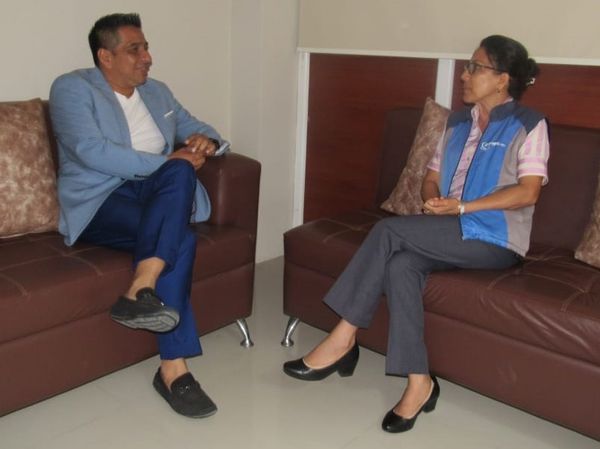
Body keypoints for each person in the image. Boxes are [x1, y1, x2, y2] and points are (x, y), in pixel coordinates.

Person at [283, 35, 549, 433]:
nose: (464, 75)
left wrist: (462, 208)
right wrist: (433, 201)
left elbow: (528, 192)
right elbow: (431, 177)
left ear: (502, 79)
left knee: (388, 231)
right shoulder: (456, 123)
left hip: (496, 238)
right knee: (402, 266)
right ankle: (419, 382)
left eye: (475, 67)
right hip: (449, 228)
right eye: (467, 66)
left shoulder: (528, 124)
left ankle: (343, 338)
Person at [49, 13, 224, 418]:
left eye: (146, 47)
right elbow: (90, 151)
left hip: (155, 194)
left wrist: (208, 142)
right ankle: (174, 370)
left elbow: (200, 127)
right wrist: (169, 162)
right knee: (180, 234)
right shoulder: (72, 88)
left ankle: (141, 287)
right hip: (101, 198)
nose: (148, 57)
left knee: (179, 172)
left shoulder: (157, 92)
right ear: (105, 56)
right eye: (135, 49)